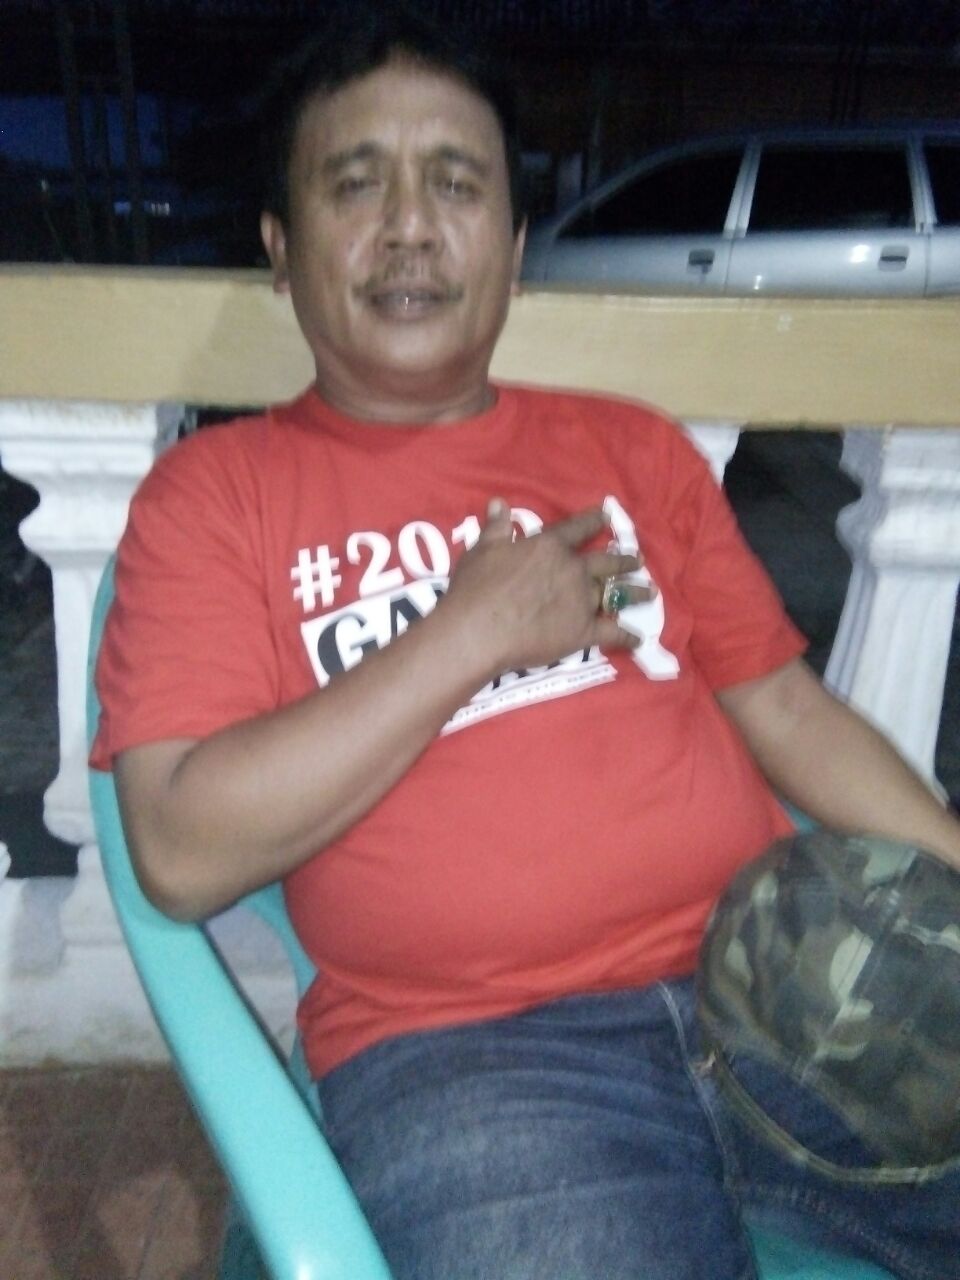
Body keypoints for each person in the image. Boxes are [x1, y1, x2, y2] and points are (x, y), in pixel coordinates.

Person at [91, 9, 960, 1279]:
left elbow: (787, 709)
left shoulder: (628, 448)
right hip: (473, 1058)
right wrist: (469, 635)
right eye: (356, 184)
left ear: (510, 244)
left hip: (782, 980)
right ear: (281, 249)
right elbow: (177, 849)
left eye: (456, 184)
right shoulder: (216, 498)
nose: (410, 226)